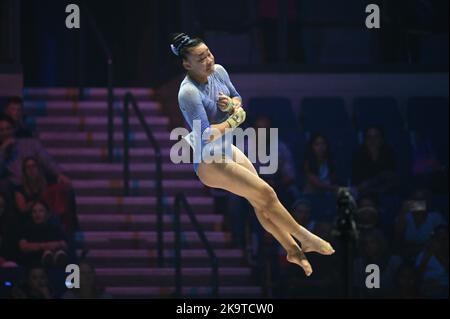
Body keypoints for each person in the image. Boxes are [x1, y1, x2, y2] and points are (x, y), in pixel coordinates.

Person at [171, 32, 334, 276]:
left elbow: (237, 97)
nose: (208, 59)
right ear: (187, 64)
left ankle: (292, 249)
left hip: (227, 149)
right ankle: (303, 236)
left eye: (208, 53)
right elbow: (205, 134)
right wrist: (236, 118)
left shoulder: (219, 71)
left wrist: (232, 105)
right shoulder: (188, 93)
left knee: (260, 198)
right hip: (208, 162)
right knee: (266, 192)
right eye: (201, 58)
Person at [18, 200, 69, 268]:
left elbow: (65, 244)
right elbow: (23, 246)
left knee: (60, 255)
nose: (37, 214)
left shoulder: (55, 228)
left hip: (54, 262)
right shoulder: (26, 228)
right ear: (31, 214)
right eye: (34, 211)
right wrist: (44, 246)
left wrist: (57, 244)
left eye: (41, 211)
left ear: (47, 214)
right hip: (32, 261)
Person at [351, 126, 398, 197]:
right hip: (365, 193)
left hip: (387, 190)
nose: (372, 140)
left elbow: (391, 175)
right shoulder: (358, 155)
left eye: (376, 136)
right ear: (365, 140)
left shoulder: (389, 153)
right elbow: (358, 181)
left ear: (381, 139)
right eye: (369, 137)